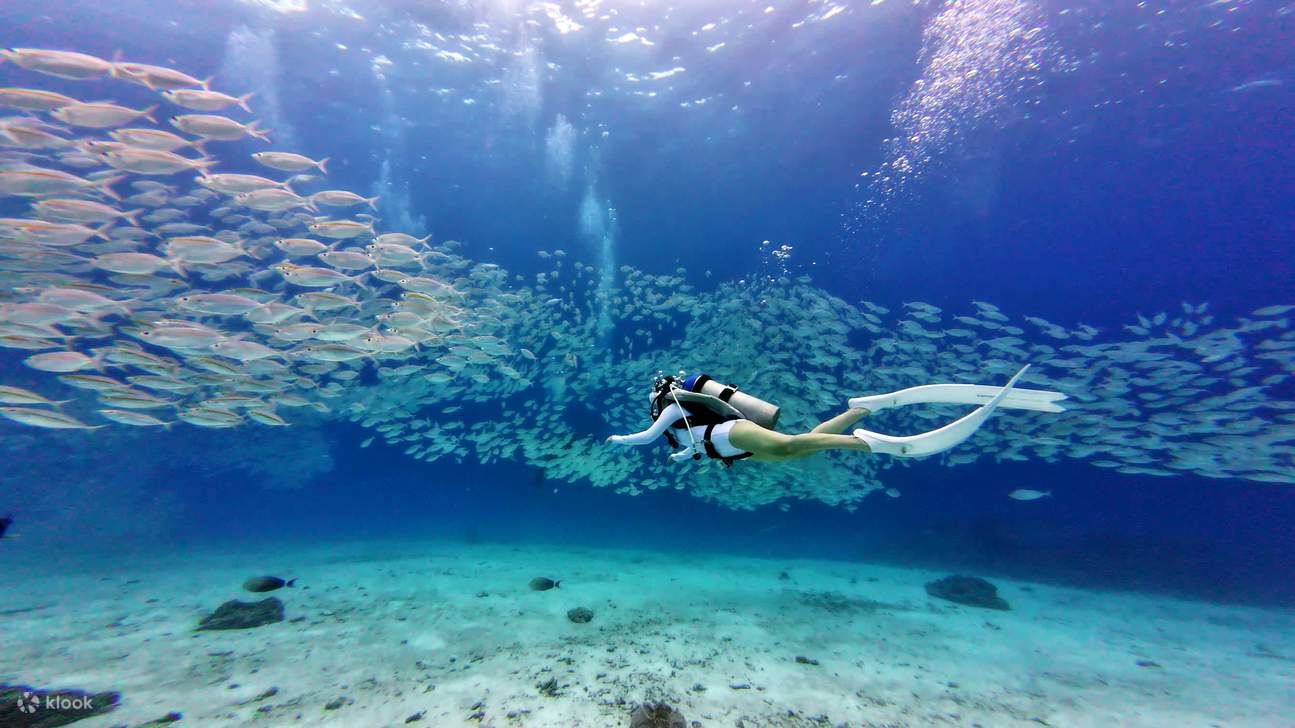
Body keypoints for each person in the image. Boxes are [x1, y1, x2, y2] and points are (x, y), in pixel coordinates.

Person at [607, 366, 1067, 465]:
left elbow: (645, 438)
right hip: (736, 439)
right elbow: (692, 447)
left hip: (736, 431)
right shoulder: (685, 422)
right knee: (800, 442)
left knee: (791, 447)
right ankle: (863, 409)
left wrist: (620, 441)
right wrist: (681, 458)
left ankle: (867, 441)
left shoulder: (672, 413)